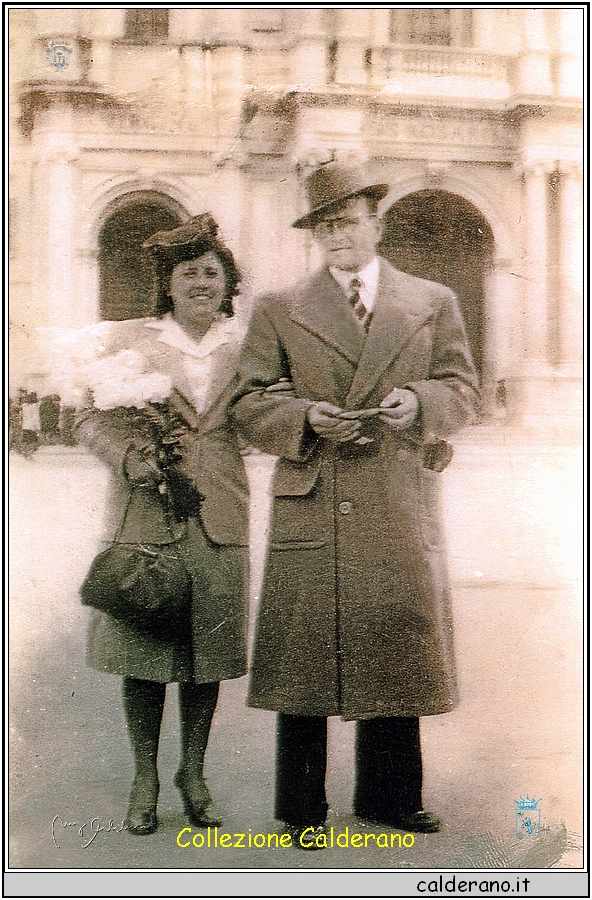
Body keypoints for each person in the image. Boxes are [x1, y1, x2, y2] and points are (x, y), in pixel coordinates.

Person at [231, 162, 480, 845]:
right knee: (306, 655)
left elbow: (463, 388)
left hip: (396, 494)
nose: (333, 236)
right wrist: (305, 417)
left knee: (394, 643)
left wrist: (420, 402)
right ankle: (301, 807)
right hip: (316, 492)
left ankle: (391, 797)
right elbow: (250, 402)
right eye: (322, 225)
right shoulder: (279, 306)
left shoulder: (432, 300)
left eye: (345, 221)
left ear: (377, 222)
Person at [76, 214, 249, 836]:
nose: (202, 282)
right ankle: (144, 775)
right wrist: (132, 457)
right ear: (168, 284)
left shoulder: (247, 345)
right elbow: (87, 420)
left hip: (219, 514)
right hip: (143, 514)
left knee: (207, 654)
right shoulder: (131, 341)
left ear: (228, 283)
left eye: (213, 272)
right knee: (145, 652)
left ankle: (193, 772)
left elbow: (264, 418)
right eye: (188, 272)